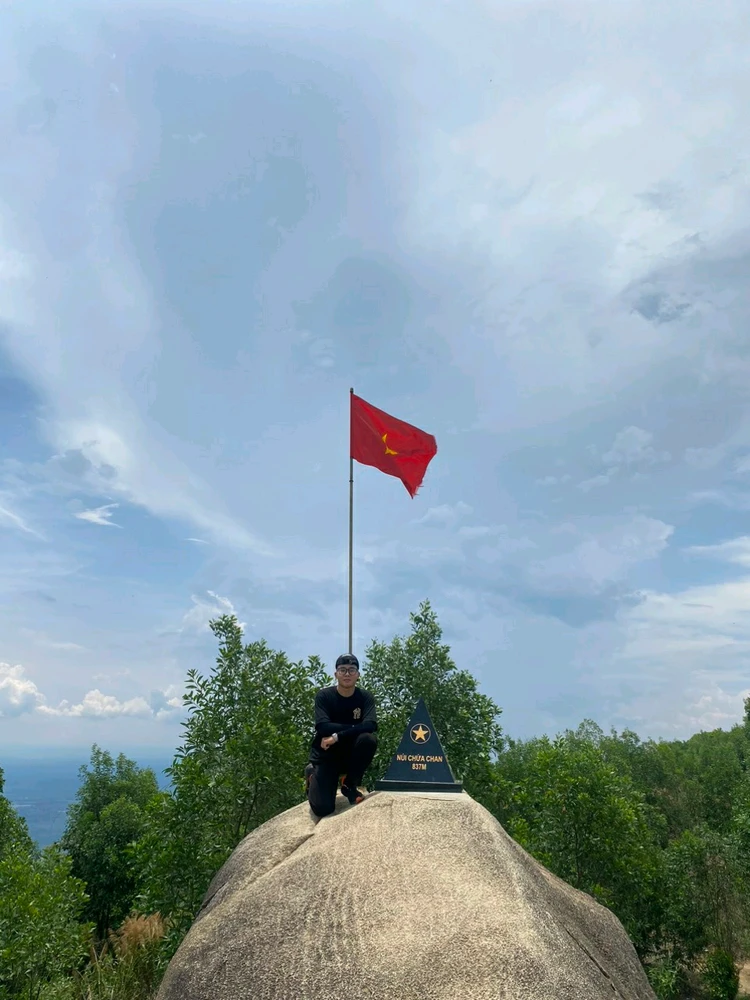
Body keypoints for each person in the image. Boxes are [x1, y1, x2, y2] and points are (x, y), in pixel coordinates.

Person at [305, 653, 378, 817]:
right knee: (323, 809)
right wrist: (356, 728)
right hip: (327, 756)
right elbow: (323, 727)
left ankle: (349, 784)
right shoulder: (324, 696)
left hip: (350, 756)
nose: (347, 674)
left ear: (358, 675)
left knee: (368, 739)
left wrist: (336, 736)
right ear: (336, 674)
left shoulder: (365, 697)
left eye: (352, 670)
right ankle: (312, 775)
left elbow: (371, 726)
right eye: (342, 670)